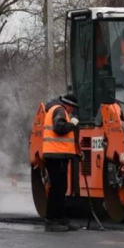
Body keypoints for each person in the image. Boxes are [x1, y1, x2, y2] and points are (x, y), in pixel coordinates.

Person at [42, 94, 81, 233]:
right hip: (55, 154)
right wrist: (72, 124)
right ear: (69, 105)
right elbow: (59, 128)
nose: (72, 111)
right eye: (73, 108)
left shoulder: (56, 109)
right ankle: (52, 220)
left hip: (58, 154)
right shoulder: (59, 110)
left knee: (61, 187)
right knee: (57, 188)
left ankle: (61, 218)